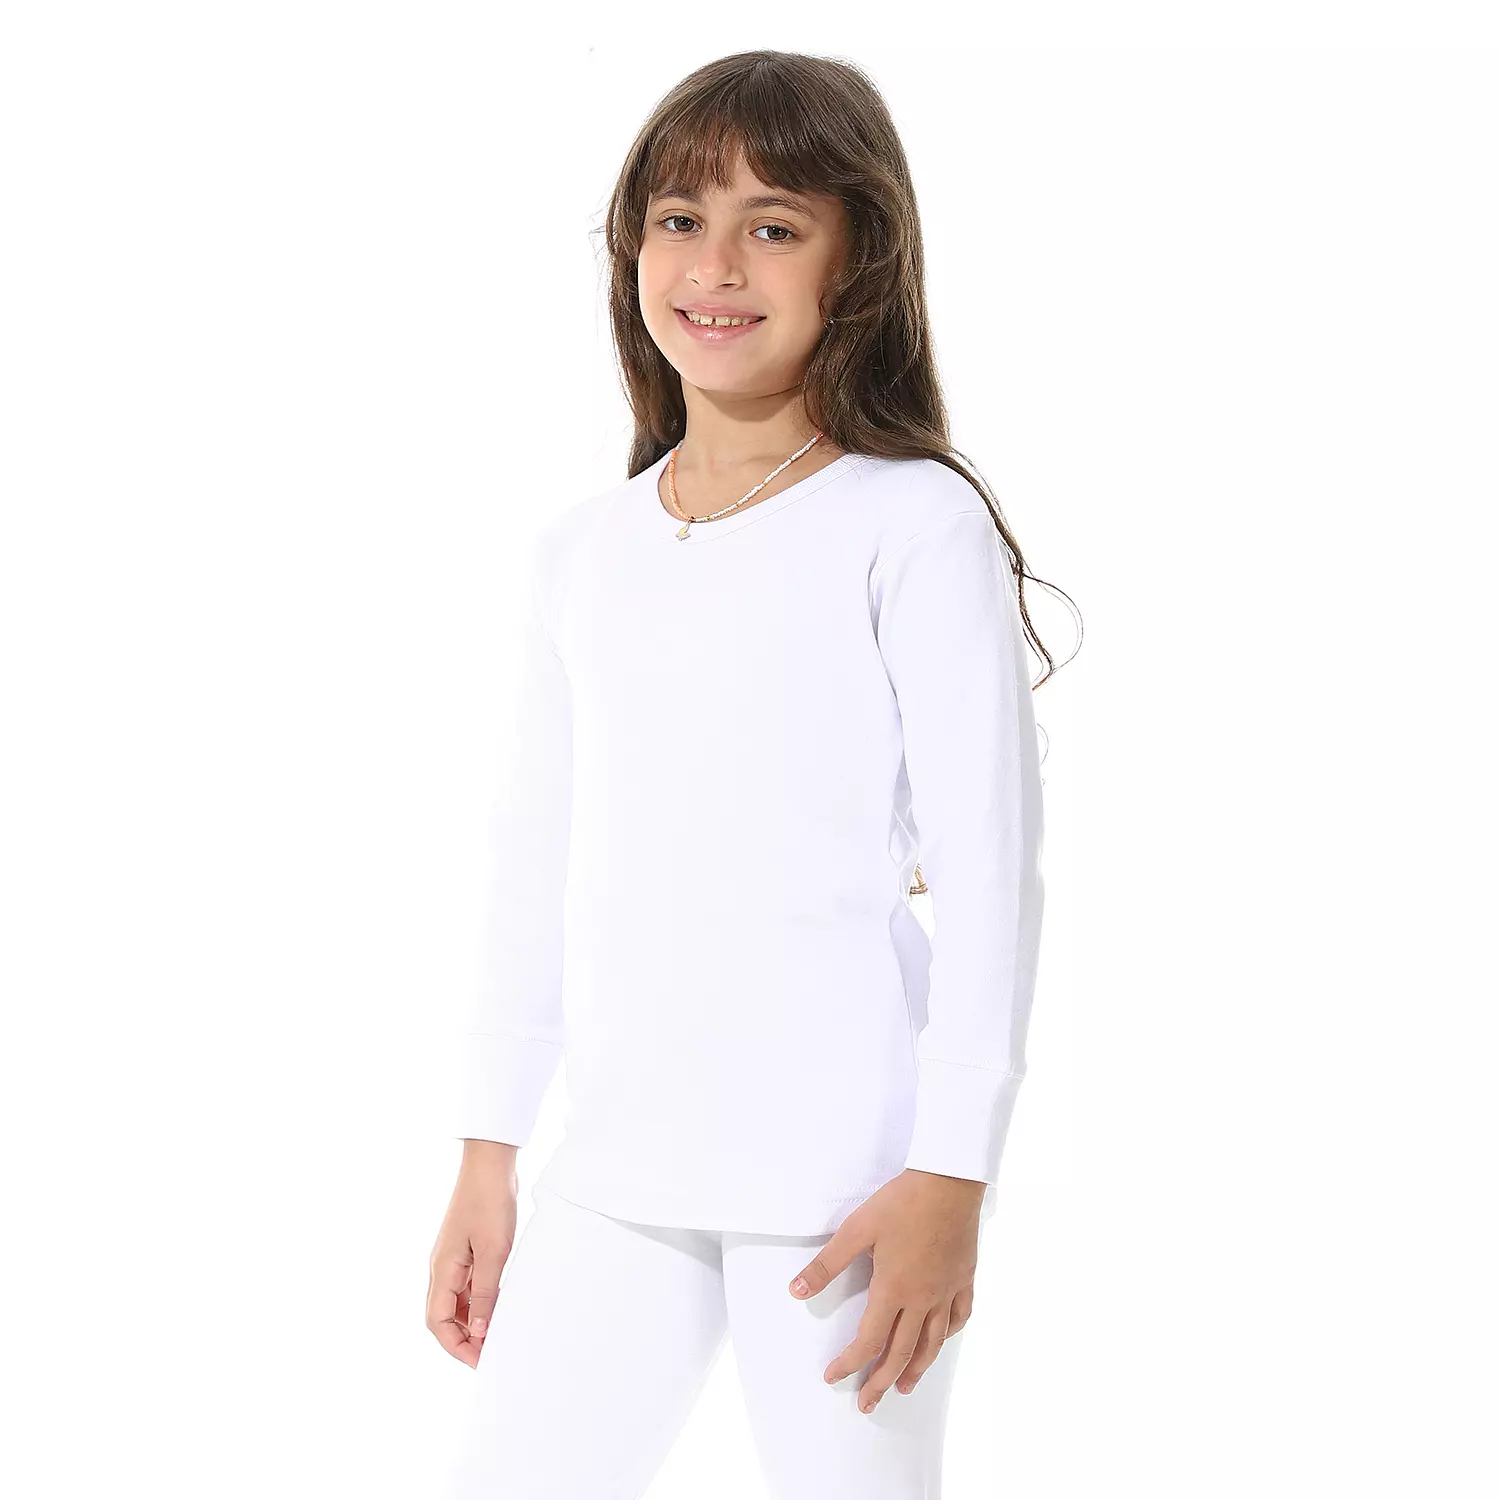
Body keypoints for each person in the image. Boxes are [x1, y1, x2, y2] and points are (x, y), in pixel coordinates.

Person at [428, 48, 1071, 1500]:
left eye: (773, 226)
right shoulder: (584, 551)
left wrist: (952, 1175)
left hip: (848, 1183)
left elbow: (991, 883)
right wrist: (489, 1149)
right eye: (679, 219)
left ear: (857, 260)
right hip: (619, 1169)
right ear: (631, 251)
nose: (715, 267)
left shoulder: (912, 525)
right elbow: (537, 860)